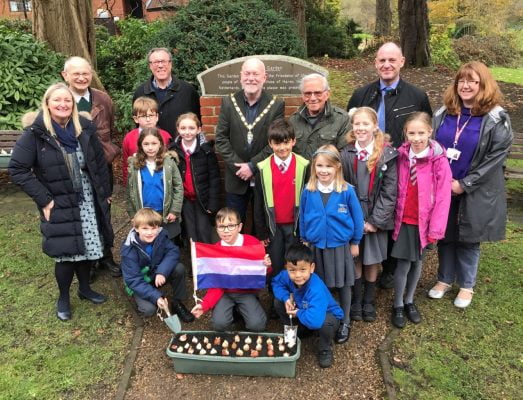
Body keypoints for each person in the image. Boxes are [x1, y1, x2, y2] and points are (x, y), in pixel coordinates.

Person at [9, 83, 114, 321]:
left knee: (88, 247)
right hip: (58, 200)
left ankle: (85, 288)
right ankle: (64, 297)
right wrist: (44, 200)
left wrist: (104, 192)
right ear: (47, 104)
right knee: (65, 252)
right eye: (57, 100)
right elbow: (18, 169)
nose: (63, 104)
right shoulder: (36, 133)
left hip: (87, 197)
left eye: (67, 100)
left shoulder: (84, 127)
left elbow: (98, 161)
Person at [346, 42, 432, 289]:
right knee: (372, 215)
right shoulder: (362, 94)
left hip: (403, 167)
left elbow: (426, 132)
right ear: (375, 63)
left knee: (396, 217)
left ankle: (391, 270)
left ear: (402, 61)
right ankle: (368, 270)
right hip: (366, 168)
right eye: (382, 60)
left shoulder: (416, 97)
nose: (386, 65)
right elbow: (351, 130)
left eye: (392, 60)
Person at [430, 61, 513, 308]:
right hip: (444, 186)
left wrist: (464, 184)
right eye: (461, 81)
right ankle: (444, 279)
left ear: (483, 84)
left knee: (468, 236)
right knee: (444, 233)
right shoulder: (443, 113)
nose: (465, 86)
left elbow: (494, 160)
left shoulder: (496, 118)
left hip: (474, 188)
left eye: (472, 81)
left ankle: (466, 285)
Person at [390, 112, 451, 328]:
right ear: (405, 133)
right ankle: (397, 303)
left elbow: (443, 197)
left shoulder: (439, 160)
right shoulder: (400, 156)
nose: (416, 138)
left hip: (424, 222)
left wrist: (436, 228)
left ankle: (409, 300)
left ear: (430, 132)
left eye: (421, 133)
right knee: (404, 263)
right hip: (405, 218)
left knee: (418, 262)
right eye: (411, 133)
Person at [62, 56, 121, 277]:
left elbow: (111, 129)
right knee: (81, 213)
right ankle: (89, 260)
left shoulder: (102, 99)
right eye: (75, 73)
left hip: (101, 166)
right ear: (65, 75)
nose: (81, 77)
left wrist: (109, 152)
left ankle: (106, 255)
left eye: (85, 73)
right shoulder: (61, 100)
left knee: (103, 209)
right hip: (73, 168)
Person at [299, 145, 364, 344]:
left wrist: (355, 241)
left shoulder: (346, 191)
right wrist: (304, 238)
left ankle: (344, 320)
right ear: (314, 167)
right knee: (316, 284)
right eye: (319, 165)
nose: (323, 170)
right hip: (315, 246)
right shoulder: (308, 191)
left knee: (344, 284)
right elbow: (302, 216)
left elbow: (358, 218)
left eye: (328, 166)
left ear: (337, 167)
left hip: (339, 246)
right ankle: (315, 319)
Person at [340, 107, 398, 322]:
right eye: (357, 124)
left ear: (375, 126)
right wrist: (353, 222)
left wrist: (375, 221)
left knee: (371, 259)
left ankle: (369, 300)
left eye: (366, 124)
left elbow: (389, 192)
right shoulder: (345, 154)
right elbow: (341, 188)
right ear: (352, 127)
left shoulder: (386, 154)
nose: (361, 128)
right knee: (355, 256)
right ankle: (356, 299)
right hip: (353, 216)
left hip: (375, 216)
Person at [215, 57, 285, 224]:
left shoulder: (276, 104)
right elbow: (221, 139)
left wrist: (252, 166)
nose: (251, 78)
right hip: (236, 177)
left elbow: (276, 141)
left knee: (263, 226)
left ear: (264, 77)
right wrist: (240, 168)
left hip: (263, 176)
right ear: (241, 76)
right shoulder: (228, 102)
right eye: (247, 73)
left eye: (255, 74)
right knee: (234, 224)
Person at [253, 118, 309, 317]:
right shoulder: (262, 168)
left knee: (293, 263)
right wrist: (261, 232)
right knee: (276, 265)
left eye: (286, 142)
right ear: (270, 144)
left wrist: (305, 231)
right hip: (273, 227)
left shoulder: (304, 166)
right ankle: (277, 301)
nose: (282, 147)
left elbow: (308, 201)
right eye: (277, 143)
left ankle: (296, 299)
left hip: (295, 227)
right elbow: (258, 202)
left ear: (293, 141)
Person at [190, 207, 272, 332]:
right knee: (219, 324)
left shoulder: (252, 243)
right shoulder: (216, 250)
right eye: (221, 226)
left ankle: (243, 309)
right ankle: (232, 310)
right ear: (216, 229)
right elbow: (216, 285)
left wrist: (266, 266)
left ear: (239, 227)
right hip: (225, 292)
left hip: (246, 292)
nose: (226, 231)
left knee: (257, 325)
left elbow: (261, 275)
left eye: (230, 226)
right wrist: (204, 305)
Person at [272, 243, 345, 368]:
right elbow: (276, 283)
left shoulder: (316, 288)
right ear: (287, 268)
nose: (298, 275)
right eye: (292, 270)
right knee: (278, 302)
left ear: (311, 268)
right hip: (306, 309)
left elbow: (315, 321)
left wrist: (298, 313)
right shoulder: (286, 276)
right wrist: (285, 298)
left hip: (327, 315)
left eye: (302, 270)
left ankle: (324, 348)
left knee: (324, 323)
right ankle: (295, 331)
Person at [120, 208, 194, 321]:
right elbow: (133, 280)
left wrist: (162, 271)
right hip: (141, 281)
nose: (150, 233)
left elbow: (173, 251)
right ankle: (143, 298)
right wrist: (156, 296)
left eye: (153, 228)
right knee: (149, 310)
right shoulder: (129, 250)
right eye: (145, 228)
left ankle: (177, 302)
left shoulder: (160, 236)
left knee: (179, 268)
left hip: (155, 274)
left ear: (158, 228)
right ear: (136, 228)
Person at [170, 113, 221, 244]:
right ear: (178, 129)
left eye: (191, 128)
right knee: (191, 232)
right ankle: (194, 261)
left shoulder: (206, 151)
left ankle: (207, 260)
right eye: (183, 128)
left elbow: (214, 179)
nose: (187, 132)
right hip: (185, 200)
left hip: (202, 199)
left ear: (198, 129)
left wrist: (212, 204)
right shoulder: (173, 151)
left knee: (203, 230)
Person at [126, 128, 183, 240]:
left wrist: (174, 210)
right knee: (148, 242)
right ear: (140, 145)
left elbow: (178, 187)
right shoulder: (135, 165)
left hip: (165, 213)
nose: (150, 147)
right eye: (146, 144)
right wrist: (133, 214)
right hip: (145, 214)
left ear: (160, 144)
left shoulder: (169, 163)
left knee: (167, 242)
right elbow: (130, 191)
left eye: (154, 143)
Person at [133, 47, 200, 138]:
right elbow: (138, 126)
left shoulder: (188, 91)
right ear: (150, 66)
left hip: (181, 148)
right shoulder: (141, 93)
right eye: (156, 62)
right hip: (152, 149)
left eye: (164, 61)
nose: (160, 65)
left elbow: (198, 122)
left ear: (170, 63)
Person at [290, 73, 349, 160]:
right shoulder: (293, 120)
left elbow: (344, 157)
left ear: (327, 94)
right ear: (302, 96)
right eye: (308, 93)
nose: (313, 98)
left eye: (318, 93)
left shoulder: (342, 119)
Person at [122, 96, 172, 186]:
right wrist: (128, 185)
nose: (148, 119)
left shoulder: (166, 136)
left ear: (157, 117)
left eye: (151, 115)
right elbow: (126, 165)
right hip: (139, 183)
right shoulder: (129, 138)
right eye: (144, 116)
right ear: (136, 119)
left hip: (162, 182)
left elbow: (171, 164)